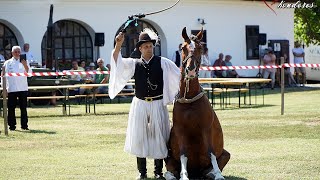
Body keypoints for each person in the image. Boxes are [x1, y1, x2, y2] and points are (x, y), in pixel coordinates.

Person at [110, 28, 180, 179]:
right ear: (140, 48)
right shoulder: (134, 64)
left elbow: (179, 76)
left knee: (159, 136)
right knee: (139, 136)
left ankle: (158, 172)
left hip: (158, 103)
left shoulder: (163, 62)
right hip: (140, 104)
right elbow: (117, 61)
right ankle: (142, 172)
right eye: (145, 46)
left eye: (150, 46)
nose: (148, 48)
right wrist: (118, 45)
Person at [1, 46, 31, 131]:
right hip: (11, 88)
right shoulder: (7, 63)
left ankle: (24, 126)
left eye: (19, 52)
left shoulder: (25, 61)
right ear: (12, 53)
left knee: (23, 108)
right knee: (11, 108)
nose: (17, 53)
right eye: (15, 52)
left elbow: (30, 74)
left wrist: (25, 65)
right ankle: (12, 126)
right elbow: (3, 76)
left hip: (23, 88)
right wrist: (4, 88)